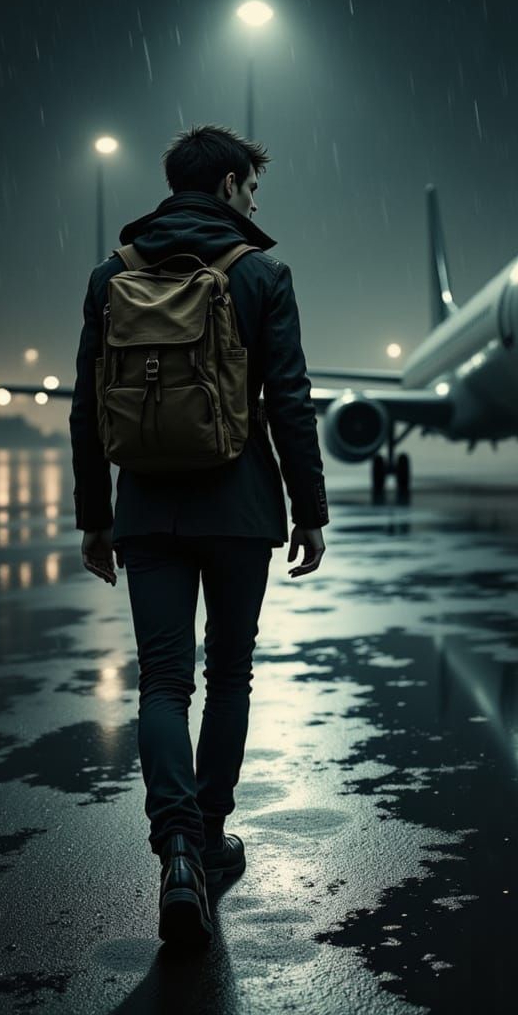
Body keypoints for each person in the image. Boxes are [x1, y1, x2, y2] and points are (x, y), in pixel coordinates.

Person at [68, 124, 329, 945]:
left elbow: (87, 408)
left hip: (147, 507)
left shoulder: (112, 277)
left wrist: (95, 516)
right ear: (225, 187)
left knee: (162, 683)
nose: (256, 202)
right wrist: (310, 509)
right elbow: (289, 400)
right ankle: (211, 839)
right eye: (251, 188)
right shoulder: (261, 274)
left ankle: (174, 846)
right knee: (230, 677)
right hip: (241, 507)